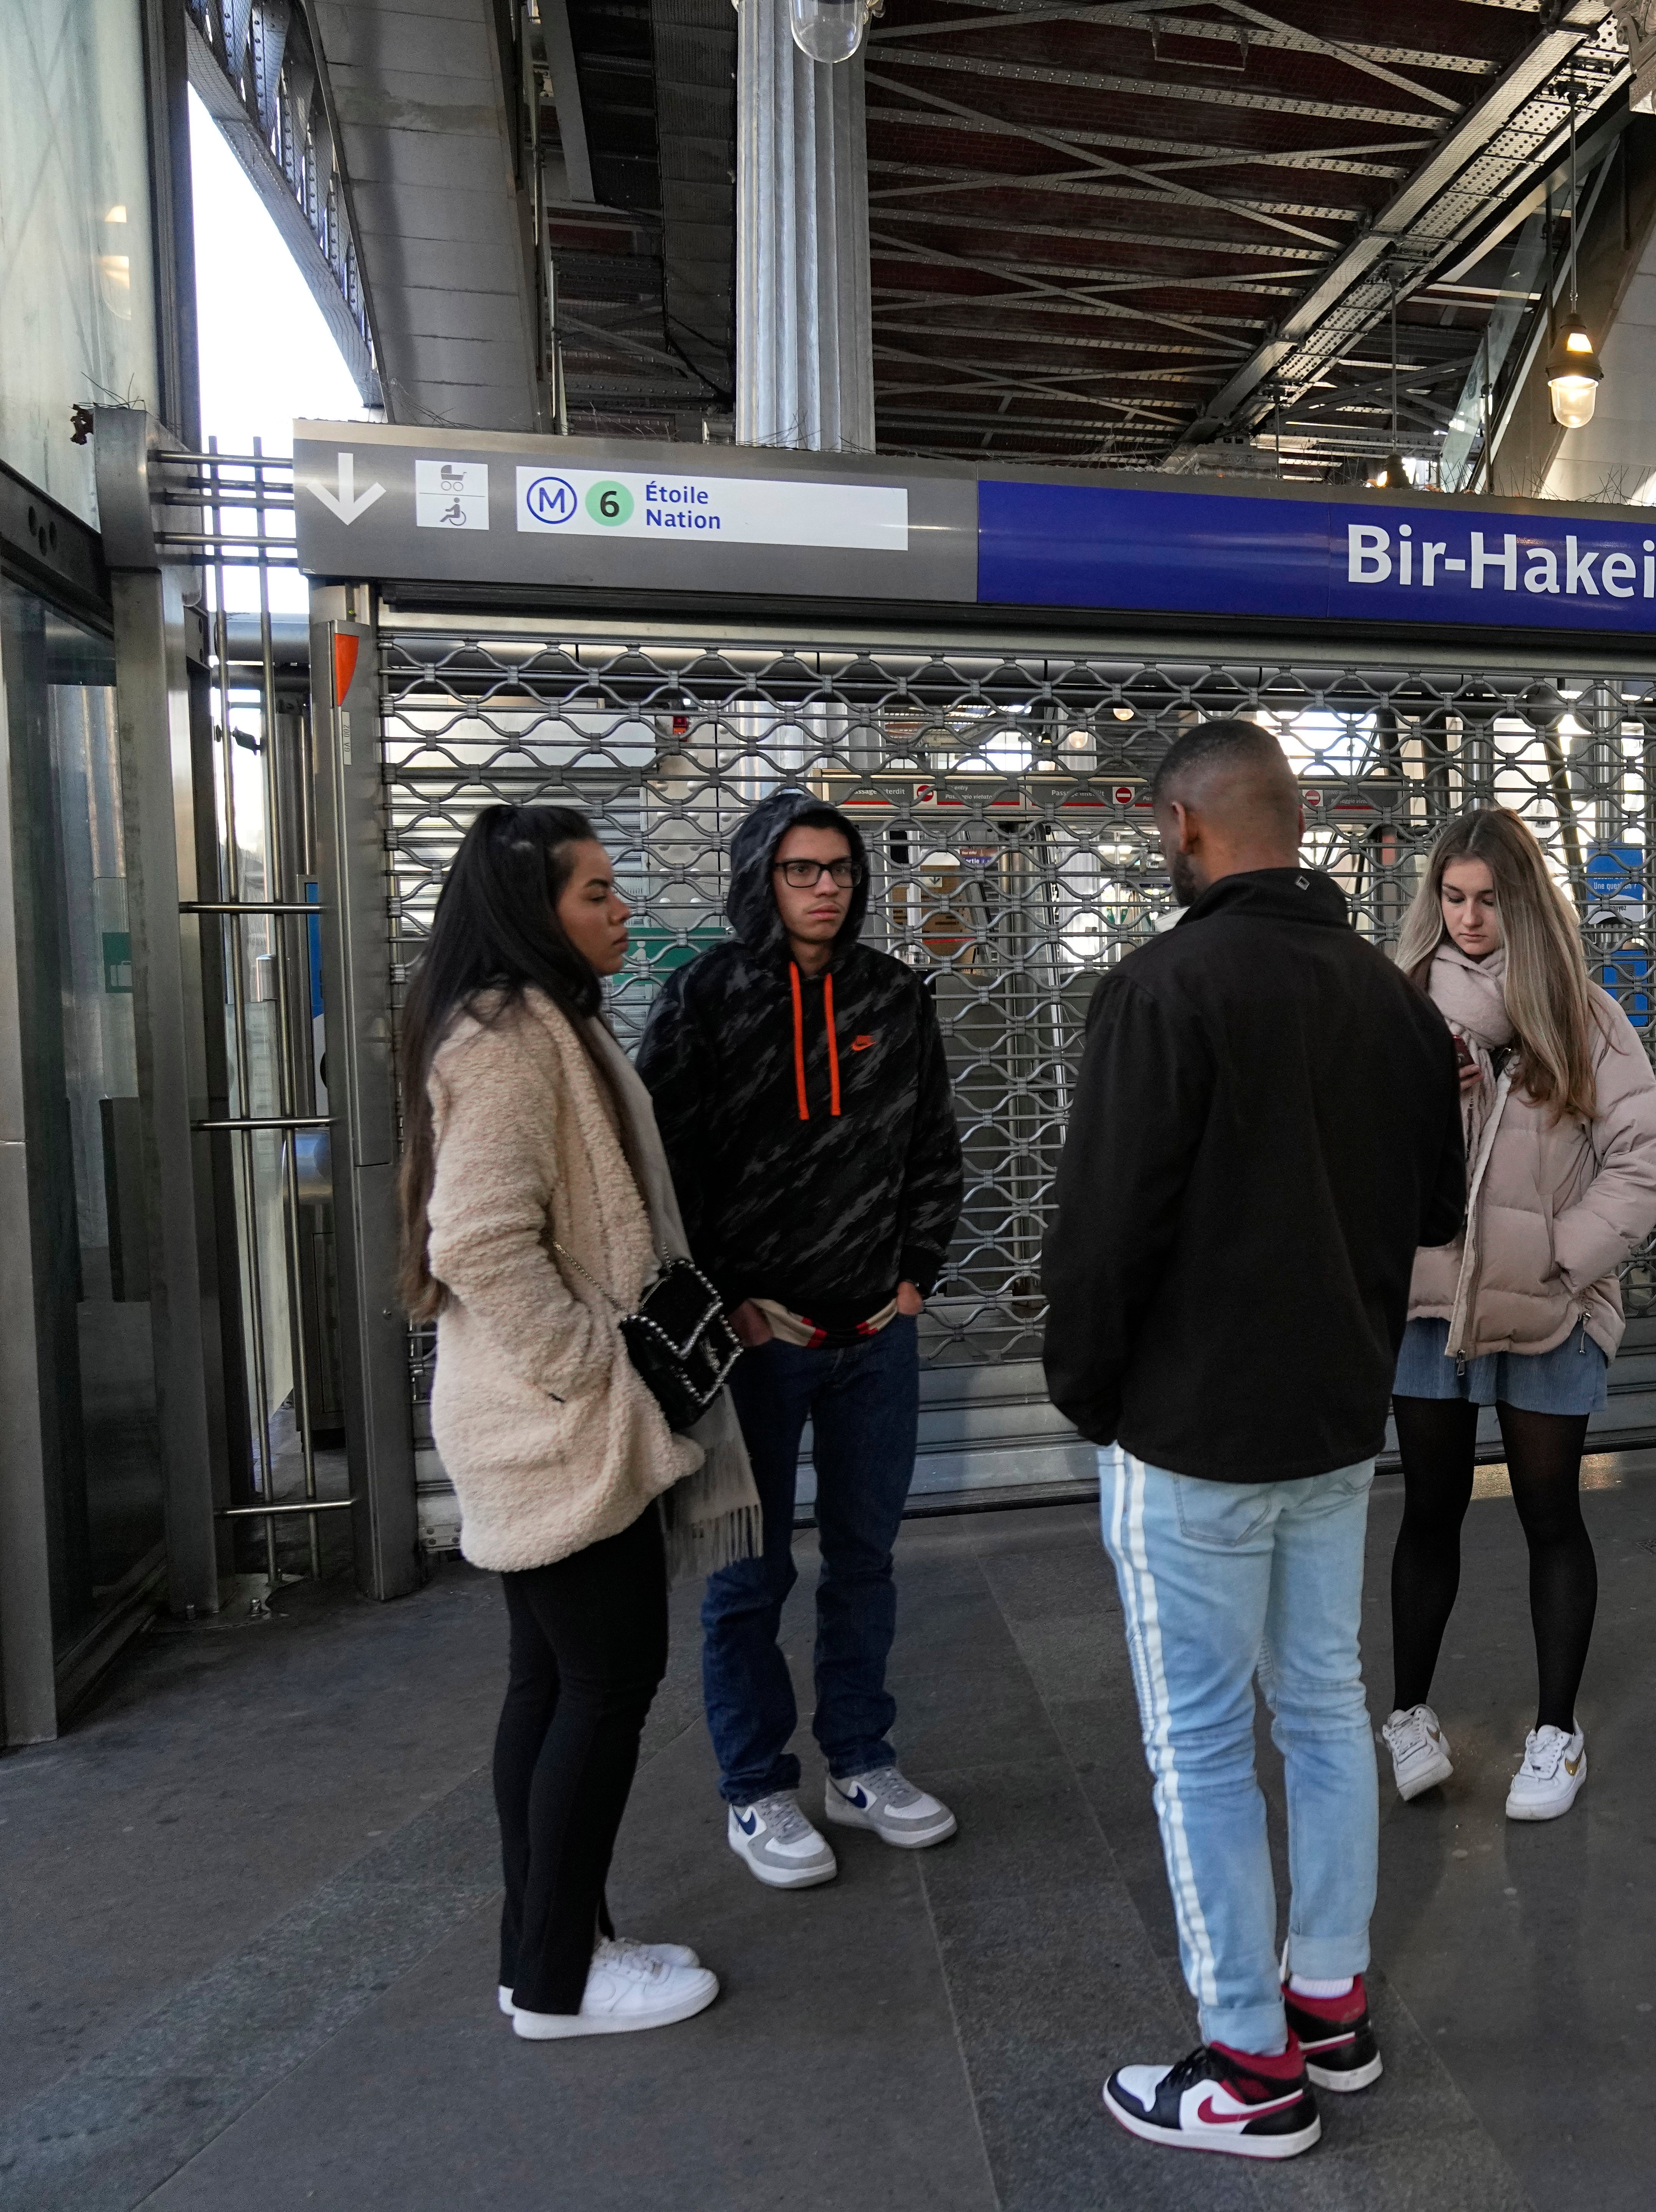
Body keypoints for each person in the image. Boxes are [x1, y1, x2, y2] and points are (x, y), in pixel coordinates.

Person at [1041, 719, 1464, 2162]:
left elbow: (1101, 1236)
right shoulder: (1392, 999)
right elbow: (1435, 1219)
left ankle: (1247, 2065)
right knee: (1325, 1709)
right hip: (1339, 1421)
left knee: (1202, 1749)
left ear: (1183, 829)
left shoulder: (1159, 989)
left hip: (1190, 1436)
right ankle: (1328, 2006)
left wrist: (1092, 1398)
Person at [399, 803, 757, 2038]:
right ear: (528, 908)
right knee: (603, 1686)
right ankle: (559, 1979)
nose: (620, 910)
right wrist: (593, 1373)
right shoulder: (506, 1039)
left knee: (551, 1686)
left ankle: (548, 1947)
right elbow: (482, 1241)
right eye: (596, 892)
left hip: (539, 1419)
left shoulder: (542, 1020)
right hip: (555, 1426)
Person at [638, 789, 965, 1889]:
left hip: (877, 1331)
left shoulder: (894, 996)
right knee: (750, 1572)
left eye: (840, 869)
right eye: (803, 869)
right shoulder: (704, 997)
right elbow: (665, 1175)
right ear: (760, 879)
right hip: (758, 1341)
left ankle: (860, 1761)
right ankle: (756, 1788)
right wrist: (725, 1298)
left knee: (866, 1560)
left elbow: (933, 1148)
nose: (828, 887)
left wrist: (914, 1279)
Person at [1380, 807, 1656, 1823]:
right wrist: (1422, 1093)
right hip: (1430, 1309)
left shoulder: (1581, 1015)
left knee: (1553, 1515)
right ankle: (1409, 1714)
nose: (1467, 918)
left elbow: (1643, 1159)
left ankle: (1557, 1733)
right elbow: (1346, 1148)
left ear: (1523, 902)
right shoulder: (1399, 1009)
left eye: (1488, 900)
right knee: (1430, 1510)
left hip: (1547, 1307)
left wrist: (1562, 1254)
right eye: (1452, 898)